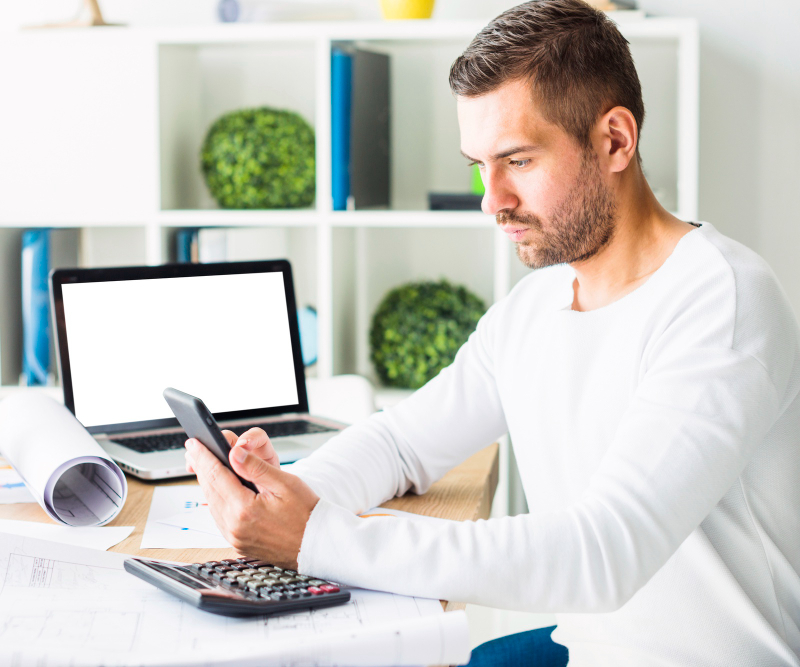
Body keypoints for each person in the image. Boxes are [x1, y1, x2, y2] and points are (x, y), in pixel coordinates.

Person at [183, 1, 800, 664]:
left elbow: (601, 554)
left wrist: (316, 538)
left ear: (615, 140)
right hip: (584, 649)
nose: (491, 199)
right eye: (479, 165)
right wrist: (284, 497)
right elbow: (402, 443)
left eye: (518, 161)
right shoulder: (534, 308)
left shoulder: (721, 301)